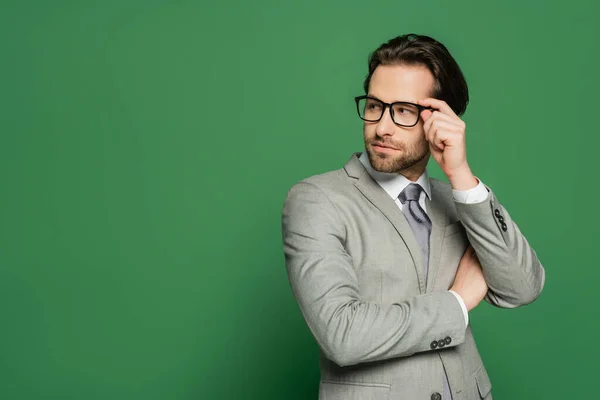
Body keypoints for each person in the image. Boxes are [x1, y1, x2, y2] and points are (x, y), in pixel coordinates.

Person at [280, 33, 545, 400]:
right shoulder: (317, 200)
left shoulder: (456, 201)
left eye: (403, 111)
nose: (382, 127)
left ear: (440, 119)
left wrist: (461, 176)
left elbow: (522, 287)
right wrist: (457, 301)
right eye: (374, 106)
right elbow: (342, 334)